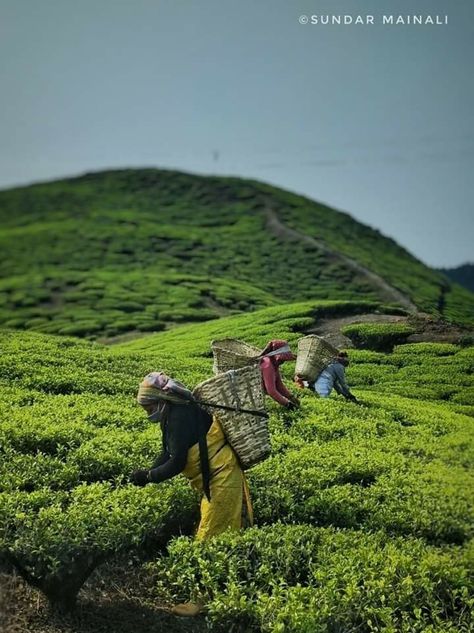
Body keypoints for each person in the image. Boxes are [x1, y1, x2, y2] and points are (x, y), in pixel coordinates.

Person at [130, 371, 253, 617]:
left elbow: (176, 462)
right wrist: (147, 472)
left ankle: (201, 601)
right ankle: (228, 589)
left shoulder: (178, 417)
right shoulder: (174, 413)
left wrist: (149, 477)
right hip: (220, 476)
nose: (148, 413)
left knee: (209, 538)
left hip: (222, 477)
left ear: (160, 401)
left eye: (149, 407)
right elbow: (168, 451)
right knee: (222, 533)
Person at [259, 339, 300, 409]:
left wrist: (291, 397)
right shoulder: (267, 365)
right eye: (282, 359)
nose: (283, 362)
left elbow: (279, 385)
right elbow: (271, 391)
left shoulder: (274, 363)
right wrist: (287, 404)